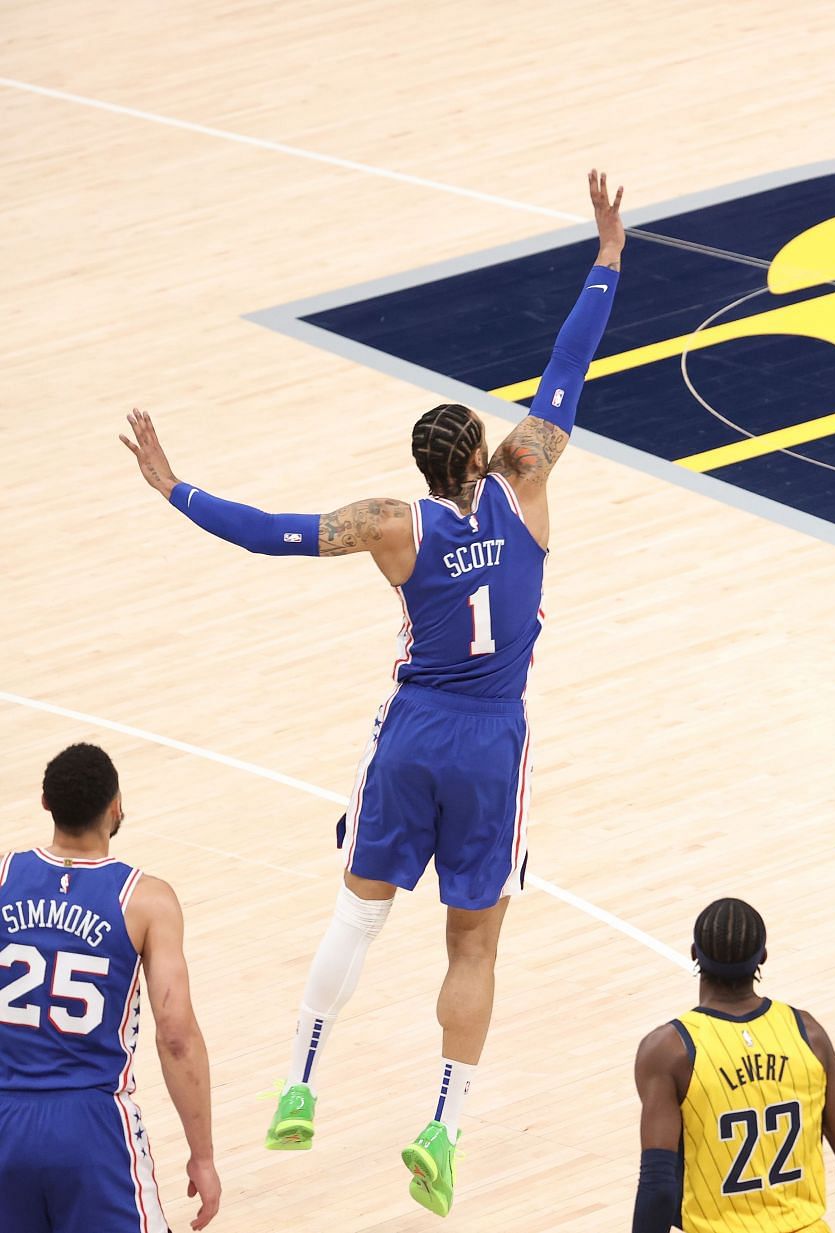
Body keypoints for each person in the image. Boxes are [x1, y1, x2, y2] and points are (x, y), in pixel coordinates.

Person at [119, 170, 627, 1215]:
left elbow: (272, 533)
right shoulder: (530, 473)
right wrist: (608, 258)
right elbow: (567, 372)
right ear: (486, 454)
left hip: (413, 732)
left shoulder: (393, 525)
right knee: (473, 941)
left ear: (421, 467)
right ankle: (443, 1126)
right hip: (494, 741)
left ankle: (301, 1083)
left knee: (358, 917)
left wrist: (176, 489)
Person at [0, 743, 221, 1231]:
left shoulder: (2, 876)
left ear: (45, 803)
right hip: (92, 1127)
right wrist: (201, 1156)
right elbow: (177, 1036)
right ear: (116, 806)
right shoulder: (146, 900)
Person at [631, 899, 835, 1233]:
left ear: (694, 953)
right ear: (762, 957)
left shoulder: (670, 1050)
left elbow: (659, 1184)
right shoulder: (808, 1035)